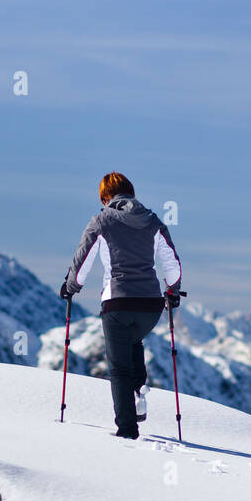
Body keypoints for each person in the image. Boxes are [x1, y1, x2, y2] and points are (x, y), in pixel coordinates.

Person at [61, 172, 182, 439]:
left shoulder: (101, 221)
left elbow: (82, 265)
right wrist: (172, 290)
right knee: (133, 341)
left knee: (118, 368)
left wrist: (70, 288)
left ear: (105, 197)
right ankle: (139, 388)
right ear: (132, 193)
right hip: (151, 306)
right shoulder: (153, 221)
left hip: (117, 302)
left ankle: (127, 430)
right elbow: (171, 262)